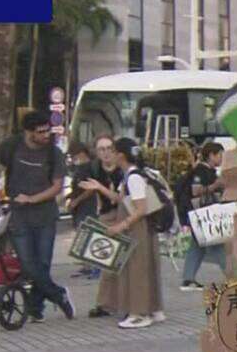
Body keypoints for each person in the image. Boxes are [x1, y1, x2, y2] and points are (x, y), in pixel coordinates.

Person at [0, 110, 74, 323]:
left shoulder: (53, 153)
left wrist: (32, 199)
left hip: (45, 217)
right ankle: (58, 294)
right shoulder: (12, 146)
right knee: (27, 265)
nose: (46, 136)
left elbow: (57, 187)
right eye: (41, 132)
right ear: (28, 132)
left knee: (42, 264)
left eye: (48, 131)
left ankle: (36, 308)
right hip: (19, 217)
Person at [83, 138, 166, 329]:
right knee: (144, 269)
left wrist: (120, 226)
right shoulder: (132, 175)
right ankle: (153, 309)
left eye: (112, 150)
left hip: (137, 229)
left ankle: (139, 313)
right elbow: (121, 199)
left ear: (120, 155)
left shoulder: (134, 177)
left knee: (136, 271)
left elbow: (140, 208)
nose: (108, 153)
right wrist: (99, 188)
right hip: (142, 228)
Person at [84, 135, 124, 317]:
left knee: (126, 260)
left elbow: (118, 198)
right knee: (107, 261)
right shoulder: (95, 169)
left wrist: (100, 188)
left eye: (109, 148)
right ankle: (105, 304)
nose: (106, 153)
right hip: (107, 215)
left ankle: (130, 301)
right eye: (102, 149)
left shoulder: (124, 170)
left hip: (125, 215)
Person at [178, 142, 227, 291]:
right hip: (203, 216)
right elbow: (195, 191)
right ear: (211, 155)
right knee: (217, 244)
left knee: (197, 246)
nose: (222, 159)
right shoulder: (200, 171)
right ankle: (233, 276)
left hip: (201, 215)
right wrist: (216, 185)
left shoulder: (209, 171)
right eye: (220, 155)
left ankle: (188, 279)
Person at [66, 141, 101, 279]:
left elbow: (89, 190)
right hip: (79, 206)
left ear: (80, 153)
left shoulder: (89, 167)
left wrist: (76, 201)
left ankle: (95, 266)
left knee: (89, 234)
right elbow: (77, 188)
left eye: (73, 155)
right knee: (82, 235)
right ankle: (87, 265)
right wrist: (68, 198)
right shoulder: (79, 167)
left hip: (87, 205)